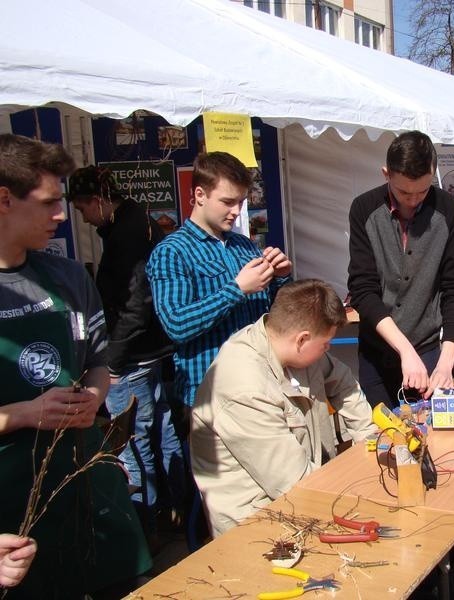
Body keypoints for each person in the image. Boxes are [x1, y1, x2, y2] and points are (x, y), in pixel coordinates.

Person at [0, 134, 151, 598]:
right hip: (12, 502)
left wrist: (94, 396)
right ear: (3, 200)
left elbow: (98, 361)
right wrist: (25, 414)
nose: (62, 215)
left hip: (86, 476)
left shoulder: (66, 278)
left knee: (134, 584)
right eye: (47, 203)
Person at [190, 279, 373, 537]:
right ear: (302, 340)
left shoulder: (290, 347)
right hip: (258, 528)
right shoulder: (245, 388)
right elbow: (295, 483)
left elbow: (342, 381)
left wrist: (370, 436)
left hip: (302, 500)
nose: (328, 349)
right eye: (325, 344)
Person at [68, 165, 185, 545]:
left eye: (82, 208)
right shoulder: (135, 221)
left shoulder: (127, 233)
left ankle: (146, 529)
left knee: (131, 442)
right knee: (162, 434)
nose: (83, 218)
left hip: (133, 355)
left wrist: (112, 361)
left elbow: (135, 303)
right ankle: (176, 513)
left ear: (99, 200)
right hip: (152, 349)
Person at [146, 151, 292, 411]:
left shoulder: (245, 246)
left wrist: (280, 279)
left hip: (260, 386)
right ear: (200, 195)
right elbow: (176, 324)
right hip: (210, 395)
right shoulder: (173, 251)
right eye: (227, 201)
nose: (236, 211)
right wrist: (237, 289)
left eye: (241, 202)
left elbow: (273, 314)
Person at [348, 131, 454, 408]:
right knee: (385, 440)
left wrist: (446, 361)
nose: (414, 199)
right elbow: (362, 289)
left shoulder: (450, 211)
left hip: (431, 350)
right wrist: (404, 350)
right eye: (404, 191)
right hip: (376, 353)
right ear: (386, 174)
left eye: (423, 190)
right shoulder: (364, 209)